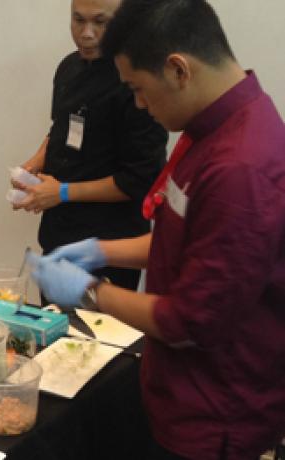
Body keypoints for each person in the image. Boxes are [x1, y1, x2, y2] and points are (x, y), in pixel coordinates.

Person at [28, 1, 285, 458]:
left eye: (140, 89)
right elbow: (184, 239)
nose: (141, 105)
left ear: (178, 69)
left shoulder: (238, 167)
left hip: (211, 411)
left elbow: (190, 322)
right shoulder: (213, 126)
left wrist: (89, 291)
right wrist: (102, 250)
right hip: (174, 389)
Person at [11, 0, 167, 295]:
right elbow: (60, 130)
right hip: (59, 236)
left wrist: (62, 192)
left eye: (100, 22)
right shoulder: (69, 67)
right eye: (78, 20)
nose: (86, 33)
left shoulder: (137, 81)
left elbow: (139, 179)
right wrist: (34, 164)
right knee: (53, 334)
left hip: (109, 248)